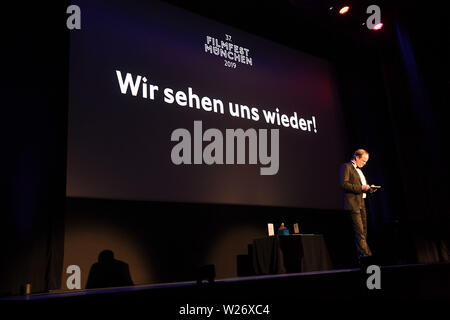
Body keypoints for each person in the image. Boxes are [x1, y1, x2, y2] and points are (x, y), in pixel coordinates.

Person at [340, 149, 378, 264]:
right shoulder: (346, 167)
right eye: (363, 161)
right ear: (356, 157)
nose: (364, 163)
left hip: (362, 203)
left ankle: (363, 258)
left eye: (366, 162)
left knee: (364, 232)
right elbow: (344, 184)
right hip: (353, 204)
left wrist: (370, 189)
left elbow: (361, 186)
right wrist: (361, 188)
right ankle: (367, 257)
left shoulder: (359, 171)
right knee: (359, 232)